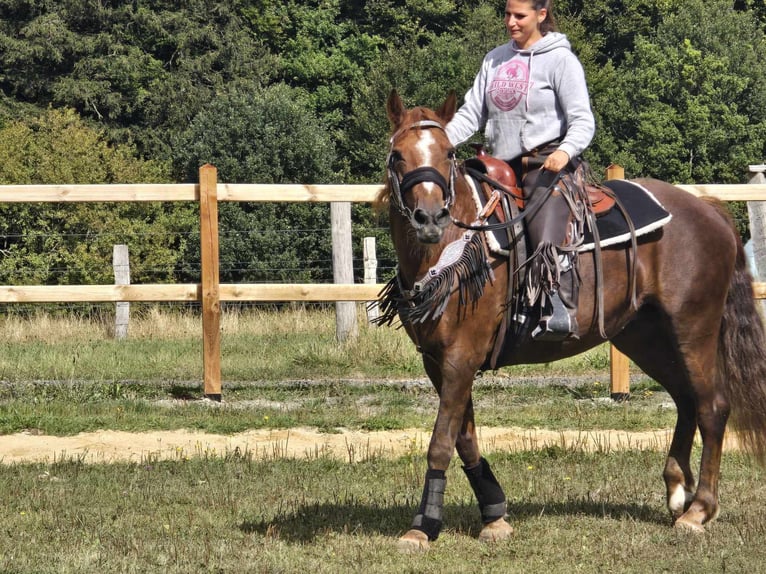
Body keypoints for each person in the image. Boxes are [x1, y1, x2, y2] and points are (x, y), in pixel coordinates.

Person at [446, 0, 595, 341]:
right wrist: (442, 142)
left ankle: (556, 305)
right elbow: (472, 114)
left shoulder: (561, 60)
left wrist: (565, 151)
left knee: (544, 228)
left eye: (520, 16)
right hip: (497, 165)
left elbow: (583, 120)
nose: (510, 22)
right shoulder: (494, 58)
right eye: (507, 14)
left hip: (545, 164)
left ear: (541, 15)